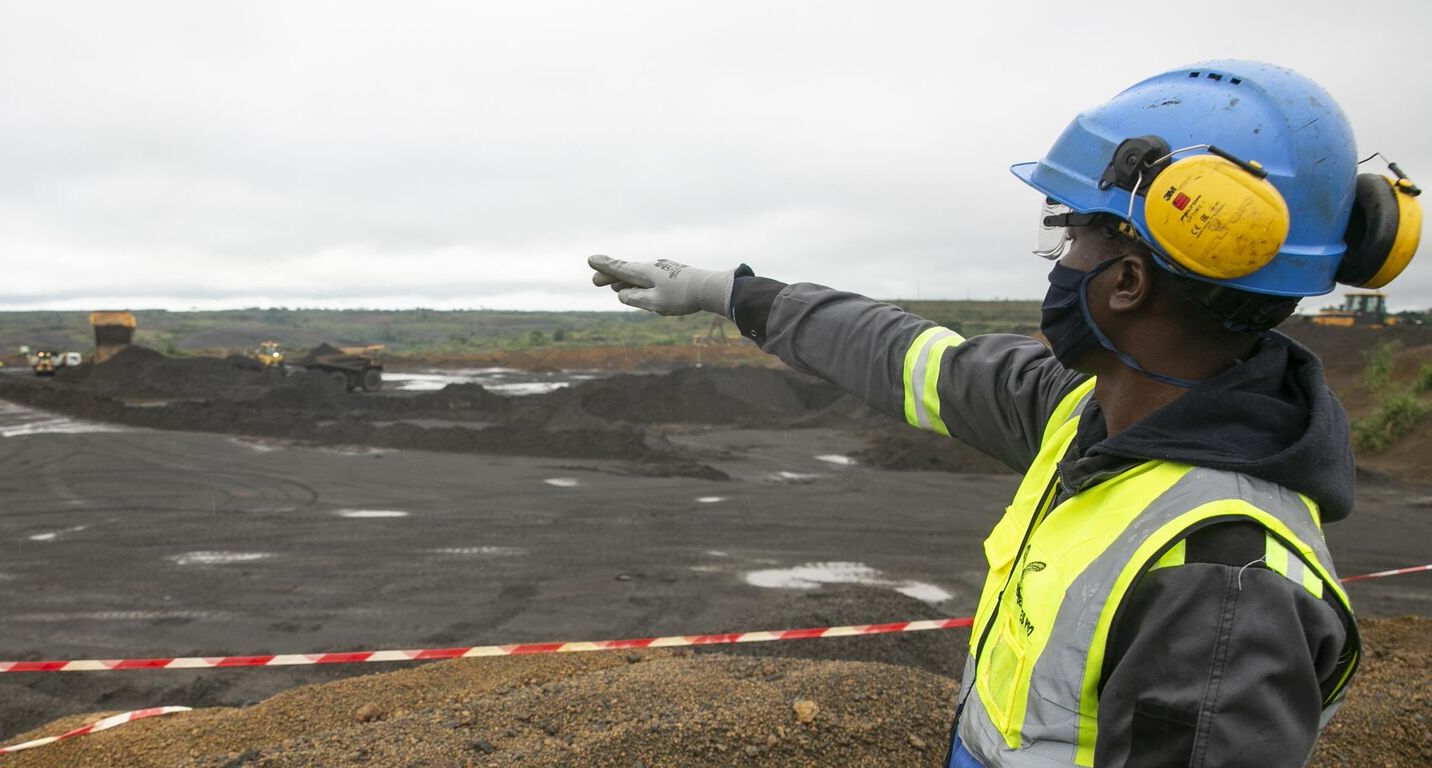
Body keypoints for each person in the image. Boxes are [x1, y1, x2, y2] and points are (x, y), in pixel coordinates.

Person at [588, 60, 1421, 767]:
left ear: (1126, 282)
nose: (1058, 266)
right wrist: (728, 293)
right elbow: (912, 357)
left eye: (1071, 240)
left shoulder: (1223, 581)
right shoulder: (1090, 413)